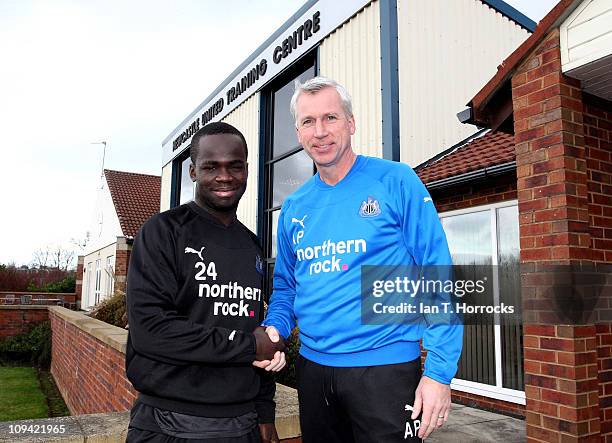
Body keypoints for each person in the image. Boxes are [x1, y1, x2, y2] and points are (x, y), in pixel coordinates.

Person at [262, 77, 463, 442]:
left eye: (330, 118)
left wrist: (438, 374)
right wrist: (274, 327)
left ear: (350, 123)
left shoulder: (395, 181)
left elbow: (437, 274)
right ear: (298, 131)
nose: (320, 131)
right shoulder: (294, 207)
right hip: (314, 372)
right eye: (309, 122)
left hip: (385, 369)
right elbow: (286, 287)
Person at [125, 121, 285, 443]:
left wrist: (264, 410)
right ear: (193, 172)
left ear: (246, 170)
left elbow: (254, 326)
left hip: (243, 424)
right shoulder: (163, 231)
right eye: (211, 166)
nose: (224, 177)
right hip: (168, 424)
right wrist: (251, 346)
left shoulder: (252, 246)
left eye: (234, 166)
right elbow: (151, 331)